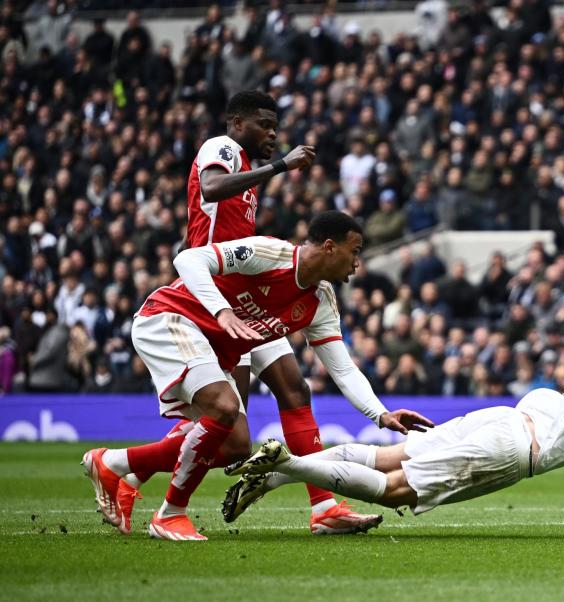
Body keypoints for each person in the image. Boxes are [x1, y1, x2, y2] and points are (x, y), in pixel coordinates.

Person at [85, 91, 376, 537]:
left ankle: (324, 507)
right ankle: (129, 471)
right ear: (237, 123)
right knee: (230, 433)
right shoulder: (222, 150)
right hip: (210, 297)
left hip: (249, 294)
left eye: (276, 125)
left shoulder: (251, 185)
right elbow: (211, 188)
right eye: (265, 123)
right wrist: (280, 167)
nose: (273, 133)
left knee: (295, 391)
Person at [83, 211, 433, 541]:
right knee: (224, 405)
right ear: (330, 247)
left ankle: (114, 462)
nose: (358, 263)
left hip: (213, 347)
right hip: (170, 318)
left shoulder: (321, 300)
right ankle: (170, 513)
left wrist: (381, 414)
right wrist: (221, 311)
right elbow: (187, 259)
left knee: (235, 447)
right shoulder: (269, 253)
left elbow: (342, 368)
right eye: (354, 251)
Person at [222, 338, 564, 537]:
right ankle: (291, 467)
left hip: (508, 416)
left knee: (387, 453)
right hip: (517, 448)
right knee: (394, 489)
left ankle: (277, 471)